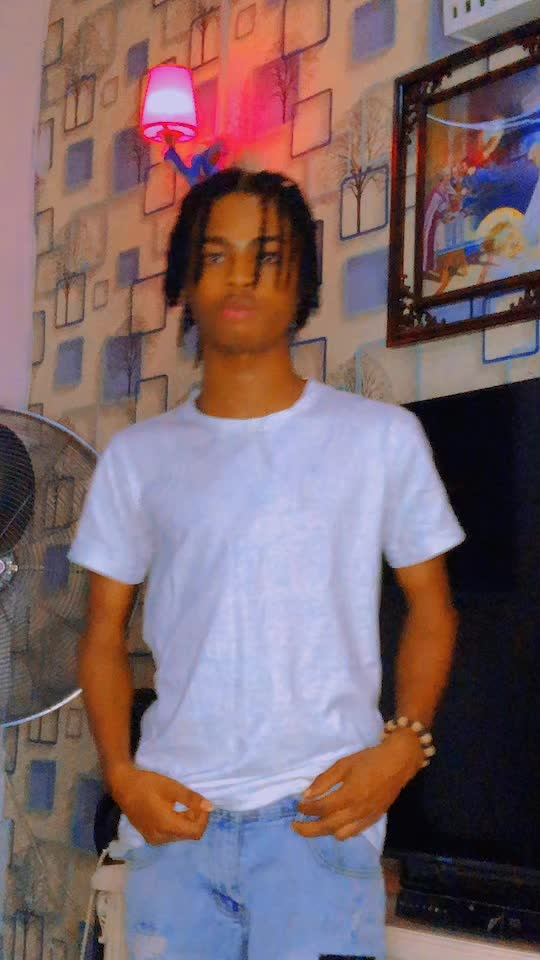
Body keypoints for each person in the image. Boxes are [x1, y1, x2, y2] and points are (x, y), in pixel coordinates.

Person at [69, 168, 464, 960]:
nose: (240, 277)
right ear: (187, 279)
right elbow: (102, 632)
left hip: (321, 829)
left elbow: (433, 607)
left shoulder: (381, 439)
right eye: (216, 256)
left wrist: (404, 747)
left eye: (266, 256)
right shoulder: (137, 458)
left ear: (302, 280)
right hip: (175, 829)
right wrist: (121, 774)